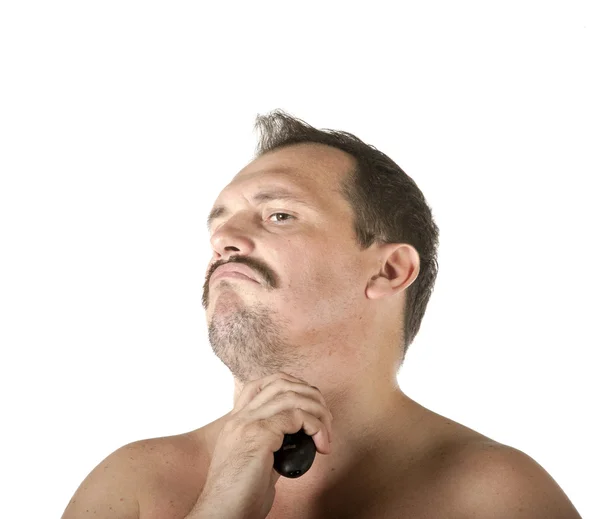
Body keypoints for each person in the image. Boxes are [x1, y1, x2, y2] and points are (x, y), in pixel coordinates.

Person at [61, 109, 582, 518]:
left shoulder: (496, 498)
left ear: (390, 271)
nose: (223, 240)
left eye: (279, 215)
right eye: (218, 225)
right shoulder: (131, 486)